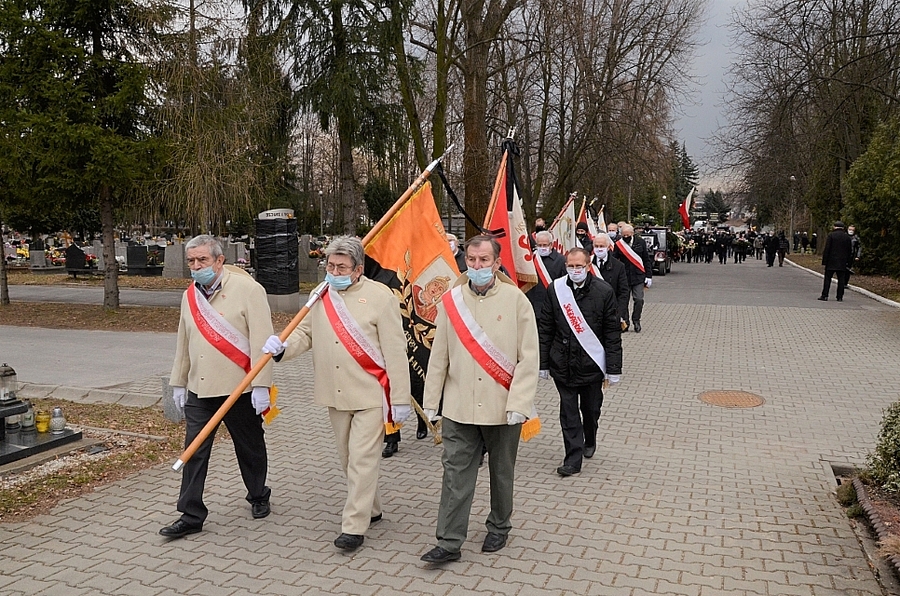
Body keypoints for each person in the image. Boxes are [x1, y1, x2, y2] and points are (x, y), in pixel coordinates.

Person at [262, 236, 412, 551]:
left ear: (358, 269)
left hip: (370, 393)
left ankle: (353, 527)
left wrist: (399, 399)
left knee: (361, 459)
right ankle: (372, 509)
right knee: (348, 460)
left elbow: (396, 352)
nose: (334, 271)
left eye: (341, 266)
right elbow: (305, 334)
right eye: (330, 265)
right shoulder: (321, 296)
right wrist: (282, 347)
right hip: (335, 393)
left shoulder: (380, 297)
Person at [419, 235, 539, 564]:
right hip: (459, 407)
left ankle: (499, 526)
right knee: (455, 473)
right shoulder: (452, 300)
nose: (477, 266)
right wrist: (432, 400)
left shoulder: (516, 301)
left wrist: (520, 404)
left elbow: (529, 359)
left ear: (497, 264)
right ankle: (449, 540)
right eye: (472, 260)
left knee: (501, 472)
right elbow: (439, 355)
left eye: (484, 260)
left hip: (503, 407)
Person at [161, 235, 275, 539]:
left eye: (203, 260)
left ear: (219, 260)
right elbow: (183, 342)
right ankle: (191, 514)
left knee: (249, 446)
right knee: (194, 450)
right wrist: (178, 382)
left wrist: (262, 386)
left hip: (239, 389)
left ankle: (258, 494)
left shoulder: (249, 290)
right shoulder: (190, 296)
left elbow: (262, 343)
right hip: (200, 388)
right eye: (192, 261)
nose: (197, 266)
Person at [539, 247, 622, 476]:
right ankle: (572, 460)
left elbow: (612, 333)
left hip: (591, 366)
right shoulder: (555, 290)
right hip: (562, 363)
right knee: (568, 412)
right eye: (571, 266)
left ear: (588, 266)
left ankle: (590, 436)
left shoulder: (604, 291)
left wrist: (613, 369)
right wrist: (543, 363)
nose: (575, 270)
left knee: (591, 408)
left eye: (579, 266)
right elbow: (545, 328)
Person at [614, 223, 652, 333]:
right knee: (623, 301)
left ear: (632, 233)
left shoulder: (640, 242)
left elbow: (646, 259)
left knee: (639, 299)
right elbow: (614, 260)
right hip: (624, 277)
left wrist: (649, 276)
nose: (625, 237)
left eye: (627, 235)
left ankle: (636, 320)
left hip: (638, 276)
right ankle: (625, 322)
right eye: (623, 235)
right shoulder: (619, 244)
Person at [526, 230, 567, 324]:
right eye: (539, 245)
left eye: (545, 245)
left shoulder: (561, 260)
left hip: (551, 307)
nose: (542, 248)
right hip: (532, 306)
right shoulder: (531, 259)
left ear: (551, 245)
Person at [591, 234, 629, 328]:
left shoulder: (619, 266)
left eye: (602, 246)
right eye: (596, 246)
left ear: (608, 247)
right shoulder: (587, 264)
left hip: (611, 312)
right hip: (591, 313)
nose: (599, 249)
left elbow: (623, 292)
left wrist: (619, 314)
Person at [819, 221, 853, 302]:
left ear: (835, 227)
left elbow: (827, 249)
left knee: (827, 279)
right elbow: (849, 251)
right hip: (842, 262)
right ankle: (839, 297)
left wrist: (824, 261)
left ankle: (825, 295)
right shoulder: (847, 237)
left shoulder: (831, 236)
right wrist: (848, 262)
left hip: (831, 261)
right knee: (841, 280)